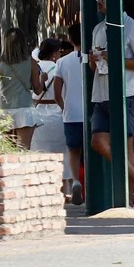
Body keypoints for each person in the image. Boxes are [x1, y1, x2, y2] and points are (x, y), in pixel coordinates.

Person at [89, 0, 134, 209]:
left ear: (115, 1)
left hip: (126, 92)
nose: (98, 2)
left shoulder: (133, 27)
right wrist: (93, 60)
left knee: (127, 147)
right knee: (98, 142)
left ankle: (129, 199)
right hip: (100, 92)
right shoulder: (98, 29)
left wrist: (118, 58)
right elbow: (94, 68)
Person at [0, 28, 45, 149]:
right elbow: (37, 90)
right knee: (24, 149)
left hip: (4, 108)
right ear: (23, 43)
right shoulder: (31, 62)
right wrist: (43, 79)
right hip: (24, 107)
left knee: (7, 150)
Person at [51, 24, 87, 204]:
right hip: (91, 113)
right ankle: (91, 185)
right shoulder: (95, 59)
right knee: (92, 151)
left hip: (71, 114)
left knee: (74, 151)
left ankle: (75, 181)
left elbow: (57, 93)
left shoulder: (62, 62)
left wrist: (64, 107)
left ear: (71, 40)